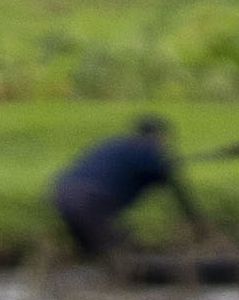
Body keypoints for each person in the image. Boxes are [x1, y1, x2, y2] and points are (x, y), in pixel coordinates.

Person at [46, 116, 210, 274]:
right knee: (118, 249)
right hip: (90, 199)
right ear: (157, 135)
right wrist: (199, 224)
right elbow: (177, 190)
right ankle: (126, 280)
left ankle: (89, 283)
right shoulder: (148, 149)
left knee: (94, 250)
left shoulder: (116, 145)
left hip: (62, 194)